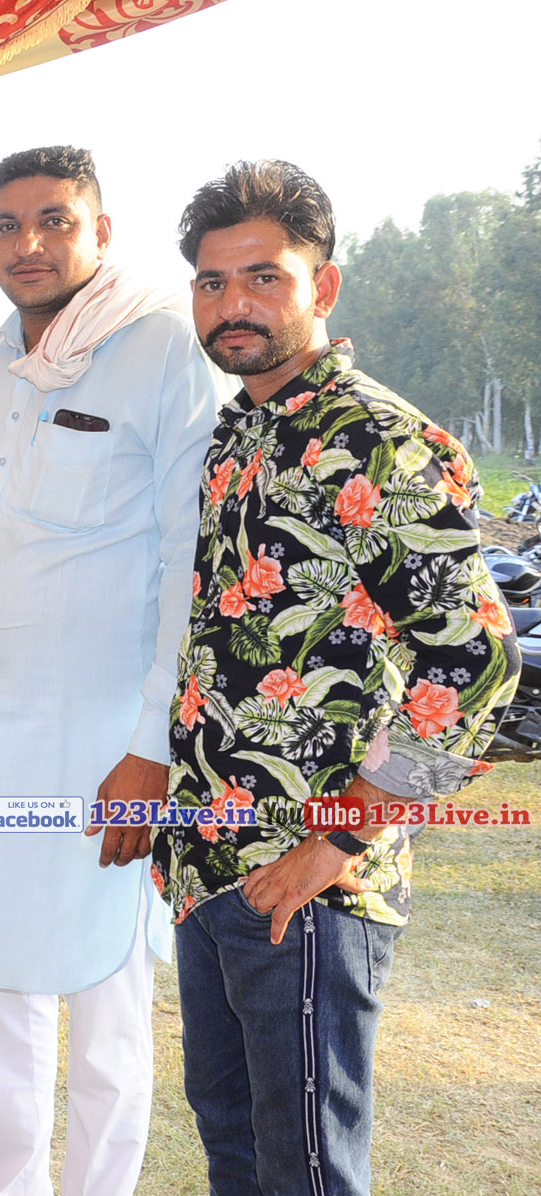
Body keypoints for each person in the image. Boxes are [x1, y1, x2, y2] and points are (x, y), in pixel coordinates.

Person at [158, 160, 521, 1196]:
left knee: (308, 1171)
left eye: (263, 277)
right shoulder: (238, 431)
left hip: (310, 888)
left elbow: (477, 660)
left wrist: (338, 840)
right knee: (236, 1149)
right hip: (211, 873)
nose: (233, 303)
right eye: (212, 281)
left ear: (323, 286)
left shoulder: (371, 437)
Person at [0, 145, 223, 1196]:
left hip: (105, 752)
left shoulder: (164, 349)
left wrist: (152, 747)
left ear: (100, 232)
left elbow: (188, 563)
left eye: (54, 221)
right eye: (7, 224)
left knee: (108, 1021)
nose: (27, 244)